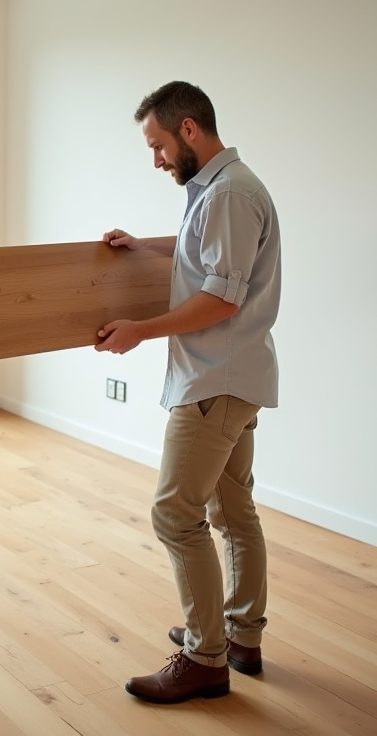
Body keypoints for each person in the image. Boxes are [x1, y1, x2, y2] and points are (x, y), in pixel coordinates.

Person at [97, 80, 282, 704]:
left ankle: (205, 657)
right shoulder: (222, 188)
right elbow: (211, 261)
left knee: (175, 514)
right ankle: (239, 635)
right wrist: (147, 247)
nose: (156, 161)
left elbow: (222, 294)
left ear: (188, 131)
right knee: (232, 512)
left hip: (213, 384)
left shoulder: (227, 193)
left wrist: (141, 332)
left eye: (157, 146)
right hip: (235, 377)